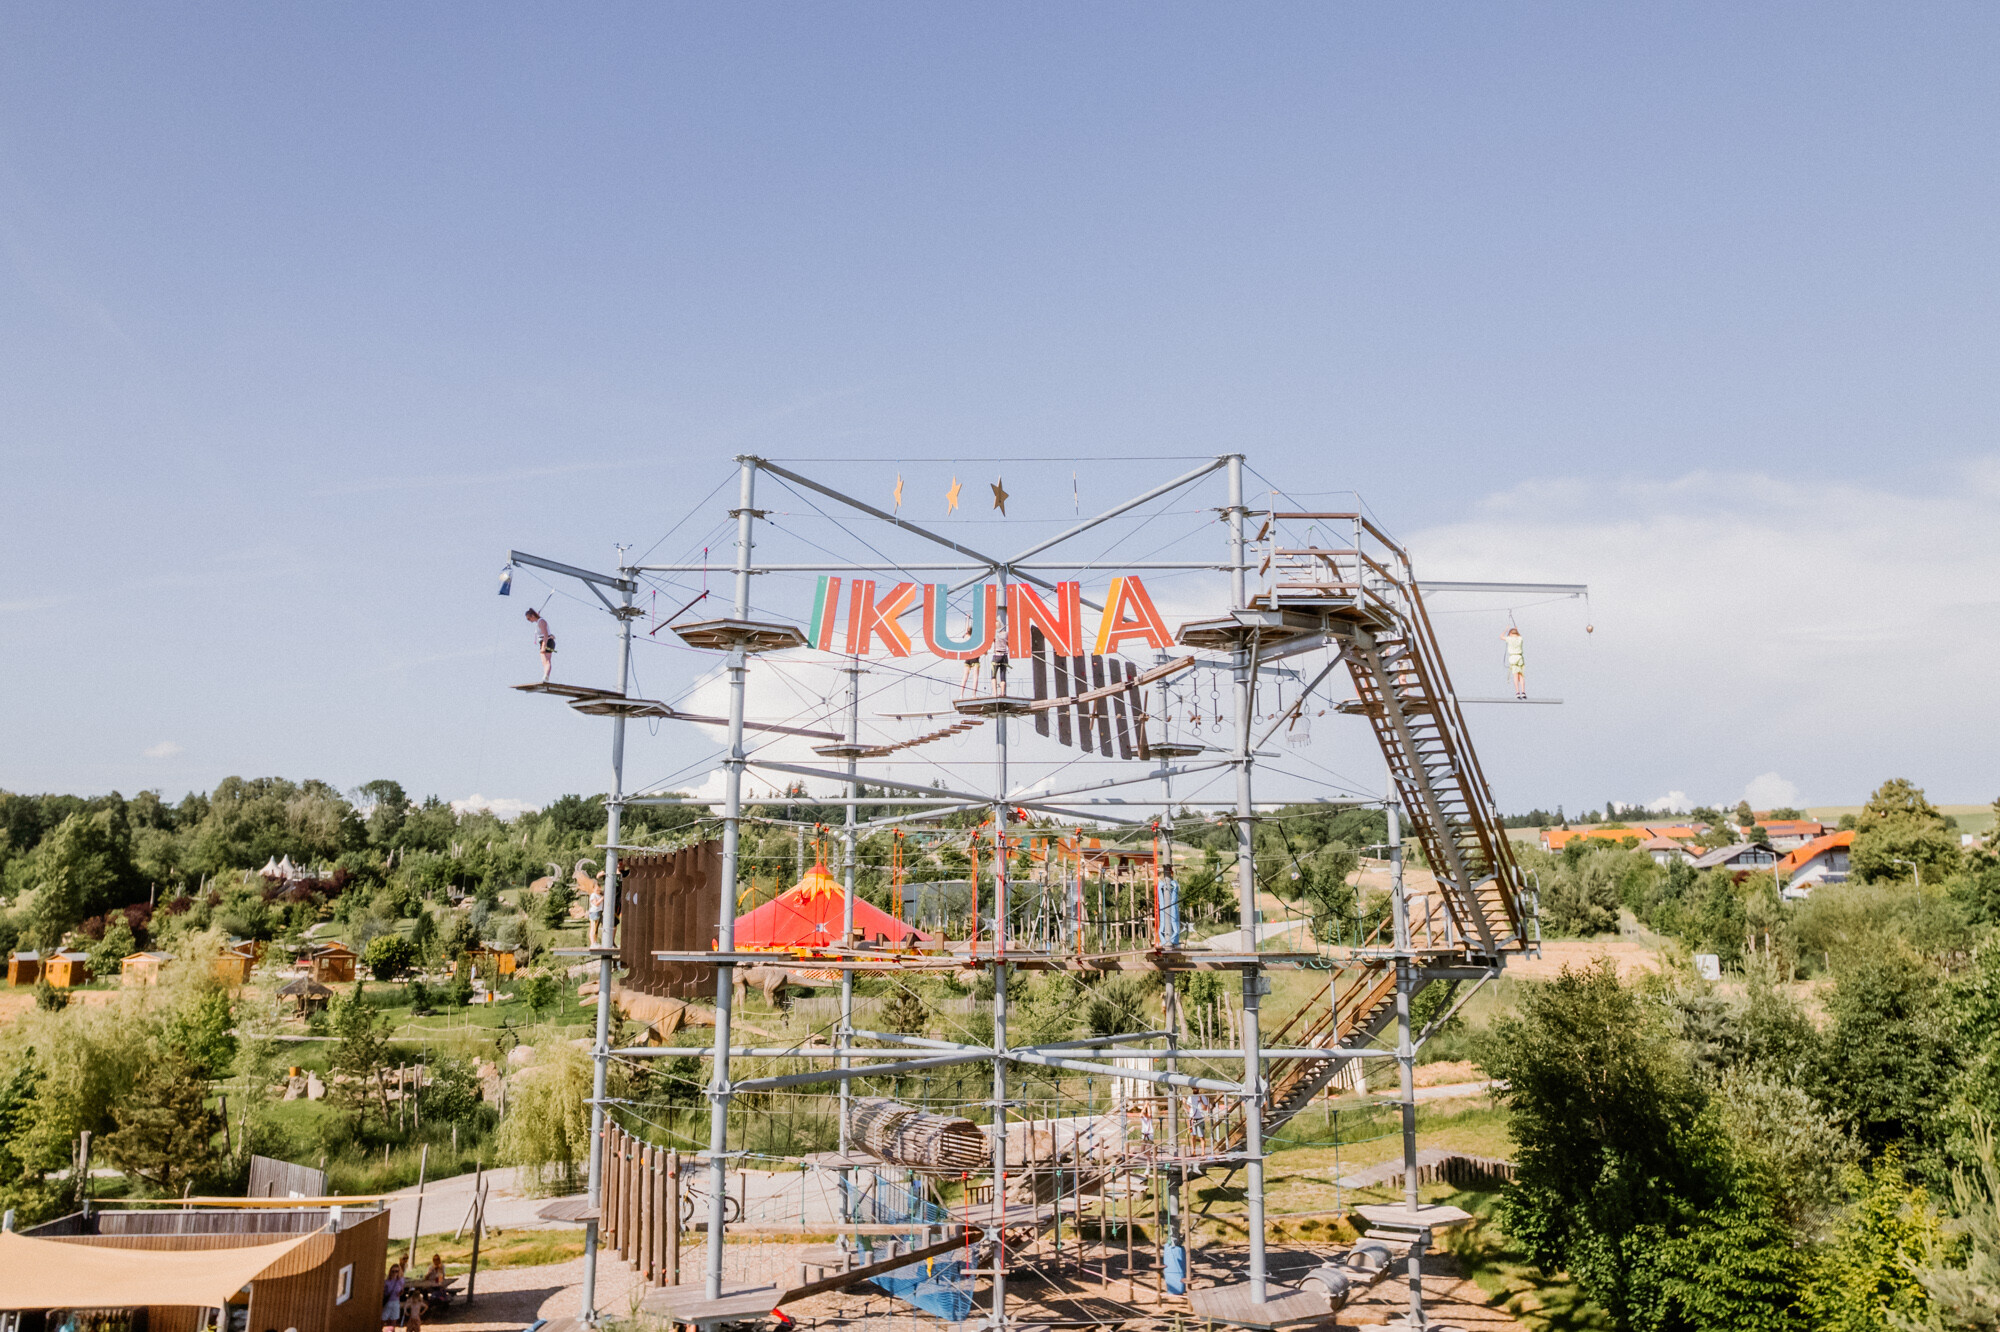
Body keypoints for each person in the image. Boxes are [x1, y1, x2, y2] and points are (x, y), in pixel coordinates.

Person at [527, 607, 556, 682]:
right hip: (547, 642)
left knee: (546, 662)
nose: (529, 621)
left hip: (546, 642)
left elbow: (545, 634)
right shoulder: (540, 621)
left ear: (532, 616)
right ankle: (546, 676)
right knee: (546, 662)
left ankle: (546, 676)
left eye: (529, 619)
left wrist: (543, 646)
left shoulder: (541, 622)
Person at [382, 1260, 406, 1331]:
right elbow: (385, 1293)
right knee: (383, 1319)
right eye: (393, 1271)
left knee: (393, 1322)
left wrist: (401, 1292)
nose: (395, 1273)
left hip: (396, 1302)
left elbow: (401, 1290)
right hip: (388, 1302)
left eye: (396, 1271)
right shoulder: (387, 1282)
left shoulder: (400, 1281)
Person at [1504, 625, 1526, 700]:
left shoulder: (1509, 639)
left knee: (1515, 676)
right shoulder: (1520, 638)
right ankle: (1523, 692)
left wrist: (1506, 629)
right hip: (1520, 658)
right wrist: (1516, 630)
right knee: (1521, 676)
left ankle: (1517, 692)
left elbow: (1501, 637)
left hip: (1513, 658)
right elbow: (1519, 636)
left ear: (1510, 633)